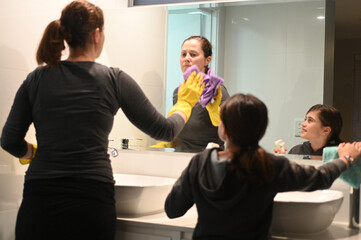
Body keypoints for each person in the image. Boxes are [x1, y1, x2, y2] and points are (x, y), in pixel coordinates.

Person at [0, 1, 204, 240]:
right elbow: (166, 130)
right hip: (91, 201)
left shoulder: (36, 79)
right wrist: (186, 102)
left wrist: (32, 152)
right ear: (96, 34)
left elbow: (9, 141)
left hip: (40, 201)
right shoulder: (112, 79)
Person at [164, 93, 361, 240]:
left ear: (223, 129)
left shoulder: (200, 163)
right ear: (261, 131)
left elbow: (173, 209)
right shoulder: (268, 165)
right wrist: (345, 159)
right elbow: (320, 178)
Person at [172, 36, 230, 152]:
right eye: (183, 54)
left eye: (193, 54)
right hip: (179, 159)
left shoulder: (217, 91)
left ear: (207, 60)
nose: (186, 58)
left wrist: (216, 114)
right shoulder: (178, 92)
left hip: (208, 161)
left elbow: (231, 131)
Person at [279, 104, 343, 156]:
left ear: (326, 130)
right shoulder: (296, 151)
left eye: (310, 120)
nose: (303, 124)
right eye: (305, 119)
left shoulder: (340, 155)